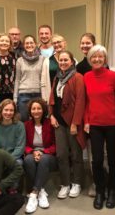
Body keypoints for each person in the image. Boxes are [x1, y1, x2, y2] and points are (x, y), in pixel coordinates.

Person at [84, 44, 115, 210]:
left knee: (113, 159)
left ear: (105, 59)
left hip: (113, 124)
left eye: (100, 57)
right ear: (89, 59)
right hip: (95, 124)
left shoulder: (114, 76)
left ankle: (112, 189)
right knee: (97, 159)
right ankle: (100, 190)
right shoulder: (86, 76)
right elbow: (85, 102)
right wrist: (86, 120)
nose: (97, 59)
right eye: (94, 57)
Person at [49, 50, 85, 199]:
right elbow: (52, 98)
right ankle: (65, 183)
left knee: (76, 154)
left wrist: (75, 123)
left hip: (72, 122)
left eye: (66, 60)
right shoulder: (57, 77)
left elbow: (80, 102)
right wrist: (51, 115)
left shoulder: (77, 77)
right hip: (58, 121)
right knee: (61, 154)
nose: (63, 62)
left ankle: (76, 182)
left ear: (72, 62)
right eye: (61, 60)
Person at [24, 98, 57, 213]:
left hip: (48, 155)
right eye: (33, 109)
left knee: (43, 160)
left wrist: (43, 152)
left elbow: (55, 145)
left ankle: (33, 194)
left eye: (39, 108)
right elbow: (25, 145)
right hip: (32, 153)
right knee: (28, 160)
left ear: (43, 110)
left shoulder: (50, 123)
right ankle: (40, 191)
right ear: (30, 111)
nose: (36, 111)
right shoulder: (26, 125)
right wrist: (33, 152)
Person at [14, 35, 44, 121]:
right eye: (27, 43)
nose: (29, 45)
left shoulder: (43, 59)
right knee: (24, 121)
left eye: (31, 43)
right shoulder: (20, 60)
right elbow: (17, 79)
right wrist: (15, 98)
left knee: (38, 121)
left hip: (38, 94)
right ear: (23, 45)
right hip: (24, 95)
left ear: (36, 44)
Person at [0, 99, 25, 170]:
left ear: (14, 112)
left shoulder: (20, 125)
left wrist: (7, 160)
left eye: (11, 110)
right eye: (6, 110)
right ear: (1, 110)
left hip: (15, 158)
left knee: (17, 164)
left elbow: (20, 147)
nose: (8, 113)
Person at [41, 34, 67, 103]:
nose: (56, 44)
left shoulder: (73, 60)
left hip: (67, 95)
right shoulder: (47, 61)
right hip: (52, 96)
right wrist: (45, 99)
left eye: (59, 42)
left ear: (64, 43)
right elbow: (43, 82)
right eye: (54, 43)